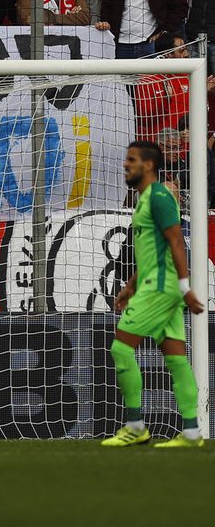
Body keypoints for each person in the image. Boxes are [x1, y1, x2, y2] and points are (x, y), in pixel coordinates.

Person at [99, 139, 207, 447]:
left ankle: (135, 426)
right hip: (156, 284)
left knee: (121, 350)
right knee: (176, 359)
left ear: (148, 165)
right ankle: (191, 433)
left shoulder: (159, 197)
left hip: (161, 287)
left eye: (131, 160)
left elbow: (176, 241)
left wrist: (185, 287)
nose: (125, 164)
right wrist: (130, 287)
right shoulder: (144, 199)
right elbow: (153, 249)